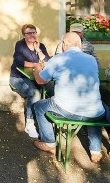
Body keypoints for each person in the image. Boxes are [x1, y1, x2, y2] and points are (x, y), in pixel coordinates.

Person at [32, 32, 105, 163]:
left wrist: (37, 68)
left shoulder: (59, 59)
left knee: (39, 106)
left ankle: (49, 142)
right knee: (94, 111)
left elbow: (41, 80)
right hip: (95, 110)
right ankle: (95, 152)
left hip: (68, 109)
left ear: (65, 44)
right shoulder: (91, 59)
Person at [9, 24, 51, 138]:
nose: (32, 35)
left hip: (35, 77)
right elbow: (19, 62)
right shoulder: (20, 45)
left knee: (51, 90)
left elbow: (47, 60)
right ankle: (30, 124)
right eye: (29, 33)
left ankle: (49, 119)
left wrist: (38, 51)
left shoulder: (40, 45)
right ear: (24, 35)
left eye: (34, 32)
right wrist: (37, 64)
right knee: (35, 93)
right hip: (18, 78)